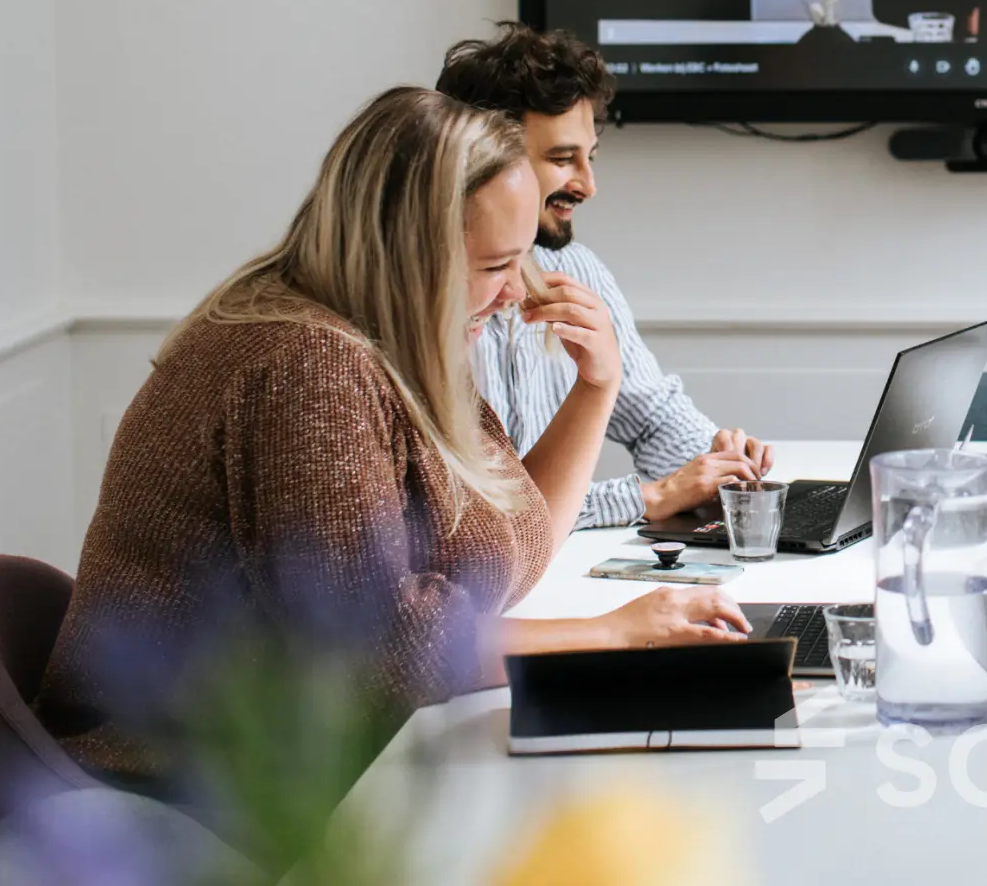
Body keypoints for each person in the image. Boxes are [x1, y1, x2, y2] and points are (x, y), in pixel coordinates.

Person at [36, 89, 747, 803]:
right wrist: (615, 634)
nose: (514, 296)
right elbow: (388, 651)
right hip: (185, 790)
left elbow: (515, 548)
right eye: (497, 265)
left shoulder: (401, 335)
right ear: (411, 252)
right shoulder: (304, 363)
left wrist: (596, 387)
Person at [437, 22, 772, 527]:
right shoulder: (412, 296)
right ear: (481, 157)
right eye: (561, 159)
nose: (588, 185)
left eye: (588, 158)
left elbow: (652, 416)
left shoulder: (576, 267)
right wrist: (645, 497)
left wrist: (718, 467)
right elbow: (477, 516)